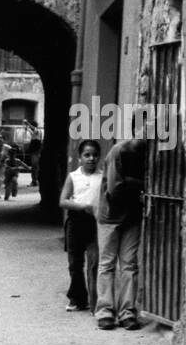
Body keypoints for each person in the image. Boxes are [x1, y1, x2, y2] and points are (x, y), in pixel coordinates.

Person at [95, 136, 148, 330]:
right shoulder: (119, 151)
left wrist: (132, 182)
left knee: (129, 264)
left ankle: (127, 312)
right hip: (111, 215)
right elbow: (114, 188)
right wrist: (141, 183)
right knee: (107, 264)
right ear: (137, 129)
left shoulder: (148, 152)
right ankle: (105, 311)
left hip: (132, 215)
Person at [59, 140, 103, 312]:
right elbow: (63, 201)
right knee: (75, 264)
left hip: (95, 224)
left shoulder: (102, 177)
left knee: (94, 263)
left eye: (94, 155)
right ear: (79, 158)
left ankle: (95, 303)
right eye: (87, 155)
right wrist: (83, 206)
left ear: (99, 157)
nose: (91, 158)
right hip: (76, 223)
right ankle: (78, 298)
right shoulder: (73, 176)